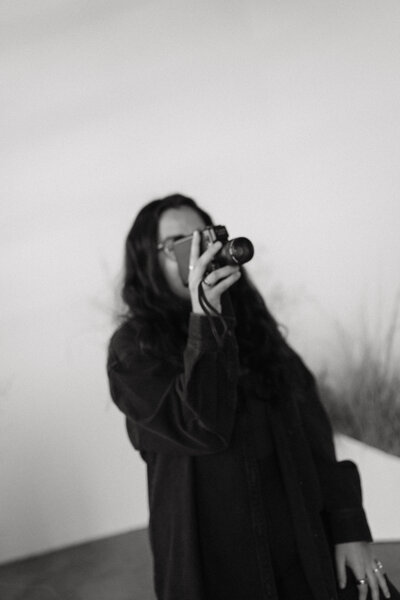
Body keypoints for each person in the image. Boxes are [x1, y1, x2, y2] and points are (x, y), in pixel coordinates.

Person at [106, 194, 394, 600]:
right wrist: (205, 319)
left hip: (302, 544)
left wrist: (349, 529)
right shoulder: (133, 349)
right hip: (213, 564)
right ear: (146, 260)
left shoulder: (254, 332)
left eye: (202, 236)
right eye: (177, 242)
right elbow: (201, 427)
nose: (196, 250)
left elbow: (314, 434)